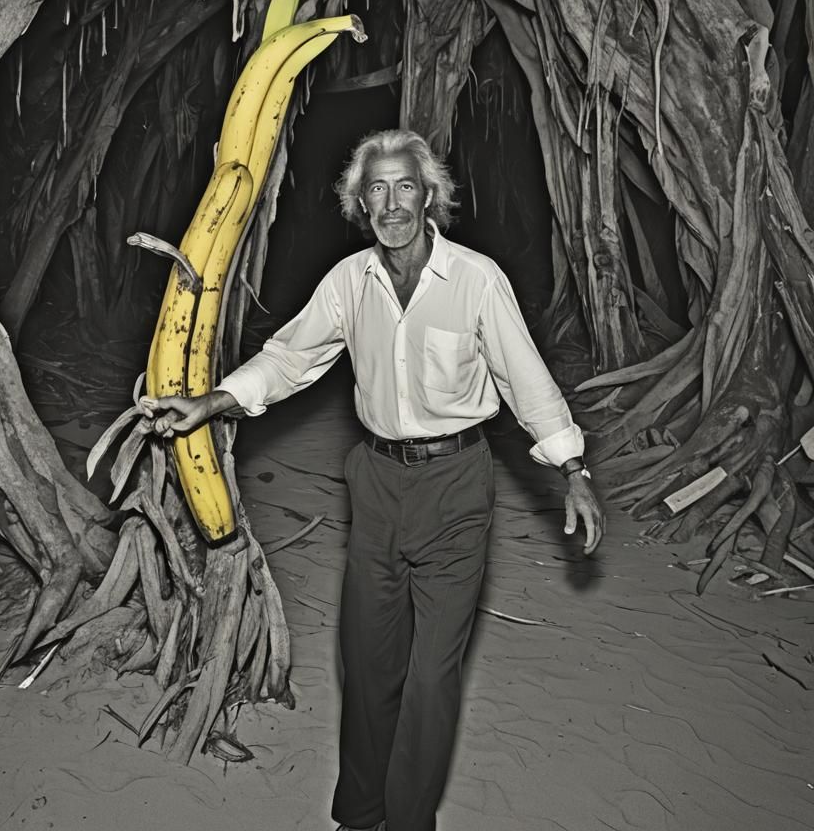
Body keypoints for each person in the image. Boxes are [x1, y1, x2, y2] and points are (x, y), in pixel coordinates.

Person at [141, 129, 604, 831]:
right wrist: (211, 401)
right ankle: (359, 816)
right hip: (377, 484)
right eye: (377, 190)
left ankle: (410, 820)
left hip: (455, 483)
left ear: (431, 197)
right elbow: (290, 358)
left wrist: (572, 468)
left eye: (405, 187)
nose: (391, 203)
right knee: (368, 663)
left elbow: (526, 379)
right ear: (361, 203)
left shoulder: (476, 280)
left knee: (431, 676)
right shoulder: (348, 283)